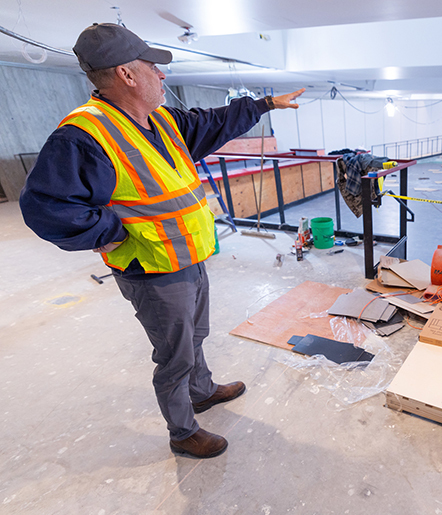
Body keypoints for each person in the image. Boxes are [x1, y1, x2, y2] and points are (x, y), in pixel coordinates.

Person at [19, 23, 304, 459]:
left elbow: (213, 122)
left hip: (187, 255)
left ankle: (203, 391)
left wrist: (264, 104)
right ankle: (183, 432)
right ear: (128, 75)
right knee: (174, 355)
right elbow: (47, 208)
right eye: (154, 67)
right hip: (150, 270)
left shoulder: (161, 121)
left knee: (197, 334)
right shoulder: (83, 136)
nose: (163, 75)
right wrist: (111, 233)